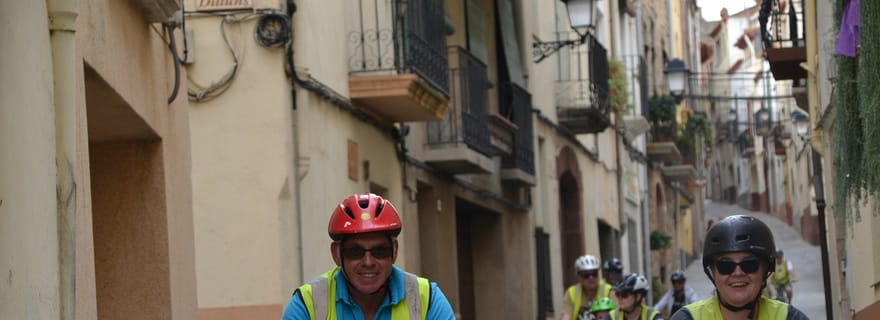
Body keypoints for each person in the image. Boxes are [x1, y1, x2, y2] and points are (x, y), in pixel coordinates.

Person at [281, 193, 456, 320]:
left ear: (394, 251)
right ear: (336, 254)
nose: (368, 262)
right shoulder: (308, 303)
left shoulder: (426, 299)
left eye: (380, 251)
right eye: (355, 252)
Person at [670, 215, 809, 320]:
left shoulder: (787, 318)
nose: (738, 272)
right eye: (726, 265)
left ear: (765, 271)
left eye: (749, 264)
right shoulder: (689, 318)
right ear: (713, 273)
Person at [562, 255, 614, 320]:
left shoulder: (609, 290)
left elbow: (618, 315)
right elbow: (567, 316)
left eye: (594, 274)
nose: (591, 278)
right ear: (579, 277)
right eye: (586, 275)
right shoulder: (571, 293)